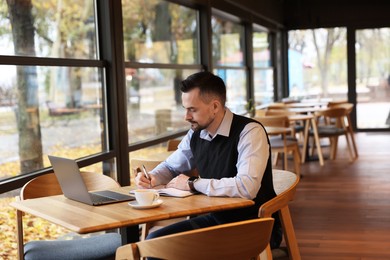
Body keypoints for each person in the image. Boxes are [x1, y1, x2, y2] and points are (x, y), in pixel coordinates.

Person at [135, 71, 282, 248]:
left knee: (169, 247)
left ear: (215, 106)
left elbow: (246, 187)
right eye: (185, 109)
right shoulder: (196, 133)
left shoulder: (250, 132)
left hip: (254, 225)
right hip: (215, 219)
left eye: (192, 109)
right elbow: (171, 166)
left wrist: (192, 183)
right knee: (155, 243)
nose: (186, 117)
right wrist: (152, 177)